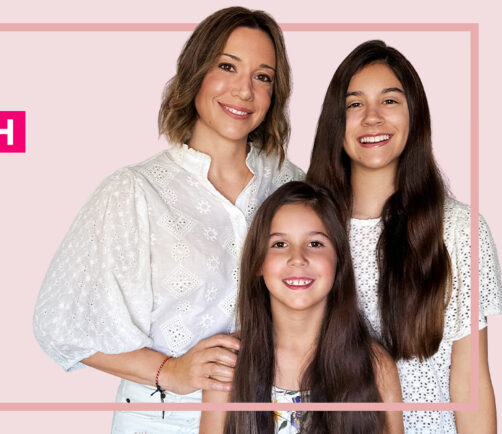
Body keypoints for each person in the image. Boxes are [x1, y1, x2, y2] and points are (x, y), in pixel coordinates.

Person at [33, 6, 304, 432]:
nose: (244, 90)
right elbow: (63, 328)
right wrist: (170, 371)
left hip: (273, 418)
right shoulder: (135, 191)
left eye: (262, 76)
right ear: (195, 74)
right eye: (227, 67)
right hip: (162, 419)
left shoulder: (290, 184)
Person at [307, 40, 502, 432]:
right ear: (336, 123)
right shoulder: (308, 231)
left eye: (390, 101)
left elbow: (470, 381)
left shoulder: (459, 231)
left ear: (415, 116)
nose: (372, 118)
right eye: (354, 104)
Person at [199, 181, 403, 434]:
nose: (297, 258)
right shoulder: (228, 362)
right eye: (279, 244)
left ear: (338, 260)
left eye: (315, 243)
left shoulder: (375, 365)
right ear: (259, 263)